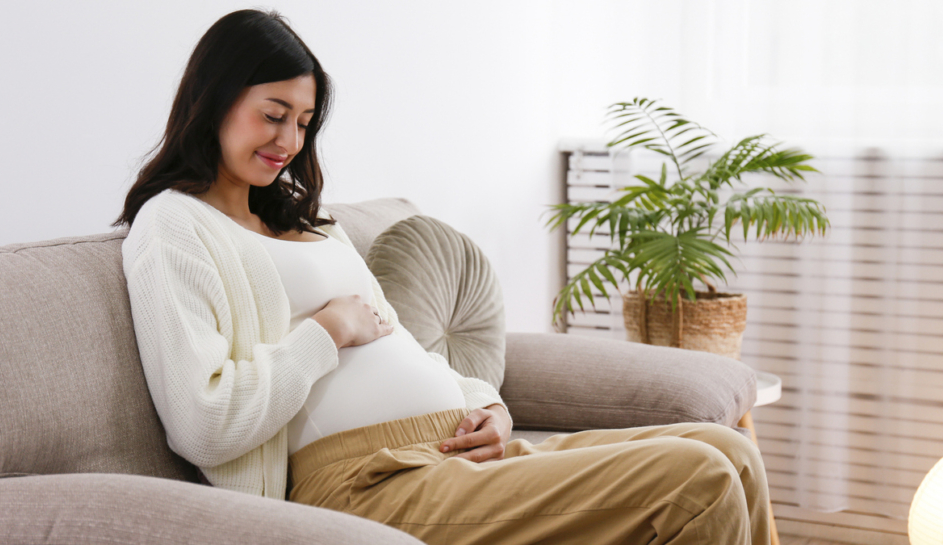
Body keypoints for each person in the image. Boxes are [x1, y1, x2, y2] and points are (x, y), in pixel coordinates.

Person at [114, 9, 771, 545]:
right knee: (700, 479)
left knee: (727, 447)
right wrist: (325, 329)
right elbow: (202, 422)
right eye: (274, 112)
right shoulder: (174, 228)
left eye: (304, 123)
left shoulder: (309, 223)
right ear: (216, 98)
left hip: (455, 451)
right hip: (366, 481)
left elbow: (401, 346)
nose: (289, 141)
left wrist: (489, 404)